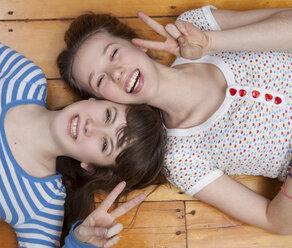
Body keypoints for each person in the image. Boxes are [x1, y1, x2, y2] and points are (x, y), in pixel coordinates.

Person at [0, 14, 167, 247]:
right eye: (108, 115)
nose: (93, 127)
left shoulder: (42, 204)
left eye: (105, 145)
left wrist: (78, 242)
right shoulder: (24, 80)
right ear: (95, 99)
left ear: (89, 166)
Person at [57, 6, 292, 234]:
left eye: (114, 53)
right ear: (103, 100)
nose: (116, 72)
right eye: (99, 80)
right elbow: (276, 221)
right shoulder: (180, 159)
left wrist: (211, 43)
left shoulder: (194, 27)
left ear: (137, 44)